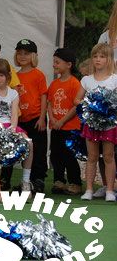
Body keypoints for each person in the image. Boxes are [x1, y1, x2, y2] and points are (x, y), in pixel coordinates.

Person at [0, 58, 34, 192]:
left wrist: (13, 128)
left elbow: (14, 114)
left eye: (1, 75)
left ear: (8, 76)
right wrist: (0, 128)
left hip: (10, 126)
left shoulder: (13, 93)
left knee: (29, 143)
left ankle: (26, 181)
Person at [76, 43, 117, 201]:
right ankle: (89, 189)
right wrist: (90, 105)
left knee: (108, 156)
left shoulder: (114, 79)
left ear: (109, 59)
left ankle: (110, 191)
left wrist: (108, 106)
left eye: (102, 56)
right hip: (91, 123)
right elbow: (76, 99)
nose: (98, 59)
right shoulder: (86, 80)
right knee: (92, 157)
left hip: (109, 124)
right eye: (95, 56)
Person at [13, 39, 48, 193]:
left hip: (36, 118)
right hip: (21, 118)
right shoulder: (14, 76)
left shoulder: (38, 75)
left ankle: (38, 180)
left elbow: (43, 96)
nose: (22, 56)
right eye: (19, 53)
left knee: (39, 150)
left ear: (33, 56)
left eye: (26, 53)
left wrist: (42, 118)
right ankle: (26, 181)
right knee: (24, 150)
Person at [47, 48, 82, 195]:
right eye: (54, 62)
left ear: (68, 64)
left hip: (70, 127)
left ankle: (75, 183)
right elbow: (49, 102)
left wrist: (62, 120)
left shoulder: (75, 83)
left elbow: (76, 106)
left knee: (69, 155)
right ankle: (59, 181)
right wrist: (52, 119)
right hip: (56, 127)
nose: (54, 65)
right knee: (55, 154)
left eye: (57, 62)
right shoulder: (54, 83)